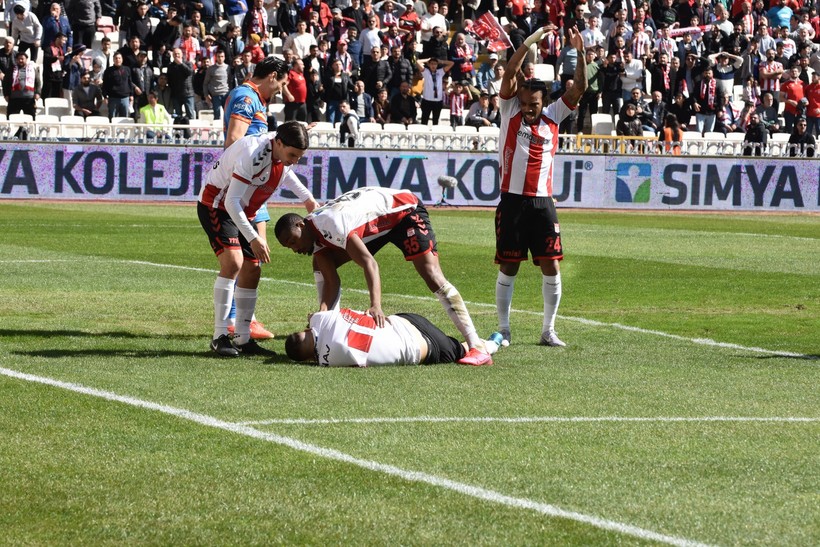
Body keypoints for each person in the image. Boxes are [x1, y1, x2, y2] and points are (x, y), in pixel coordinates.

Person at [274, 187, 493, 366]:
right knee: (321, 264)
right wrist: (322, 314)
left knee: (432, 275)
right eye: (288, 247)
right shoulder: (315, 235)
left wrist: (375, 305)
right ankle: (329, 323)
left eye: (293, 241)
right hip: (379, 226)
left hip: (405, 213)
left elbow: (370, 263)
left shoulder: (332, 224)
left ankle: (477, 346)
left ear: (301, 225)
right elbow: (332, 281)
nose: (294, 249)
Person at [493, 24, 587, 349]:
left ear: (543, 102)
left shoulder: (553, 118)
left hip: (543, 203)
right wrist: (531, 41)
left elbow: (580, 89)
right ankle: (504, 329)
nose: (528, 108)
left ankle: (548, 330)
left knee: (552, 264)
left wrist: (580, 52)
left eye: (534, 104)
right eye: (525, 103)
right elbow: (509, 72)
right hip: (513, 201)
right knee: (509, 264)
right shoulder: (509, 112)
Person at [198, 122, 319, 357]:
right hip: (218, 205)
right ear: (279, 143)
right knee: (233, 263)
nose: (295, 161)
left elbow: (286, 173)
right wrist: (253, 237)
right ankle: (219, 336)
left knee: (253, 269)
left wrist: (308, 199)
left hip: (244, 209)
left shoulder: (280, 148)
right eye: (293, 155)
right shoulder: (253, 155)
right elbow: (231, 201)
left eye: (299, 156)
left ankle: (243, 339)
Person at [221, 56, 291, 340]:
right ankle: (235, 319)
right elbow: (234, 141)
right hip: (247, 187)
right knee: (249, 257)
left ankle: (243, 317)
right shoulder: (246, 97)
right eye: (281, 84)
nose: (279, 91)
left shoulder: (255, 101)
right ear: (272, 75)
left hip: (256, 187)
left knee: (254, 259)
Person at [285, 308, 501, 366]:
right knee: (462, 348)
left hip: (422, 347)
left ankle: (494, 342)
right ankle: (494, 341)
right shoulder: (320, 320)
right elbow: (312, 316)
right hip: (405, 320)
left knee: (462, 350)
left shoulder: (329, 360)